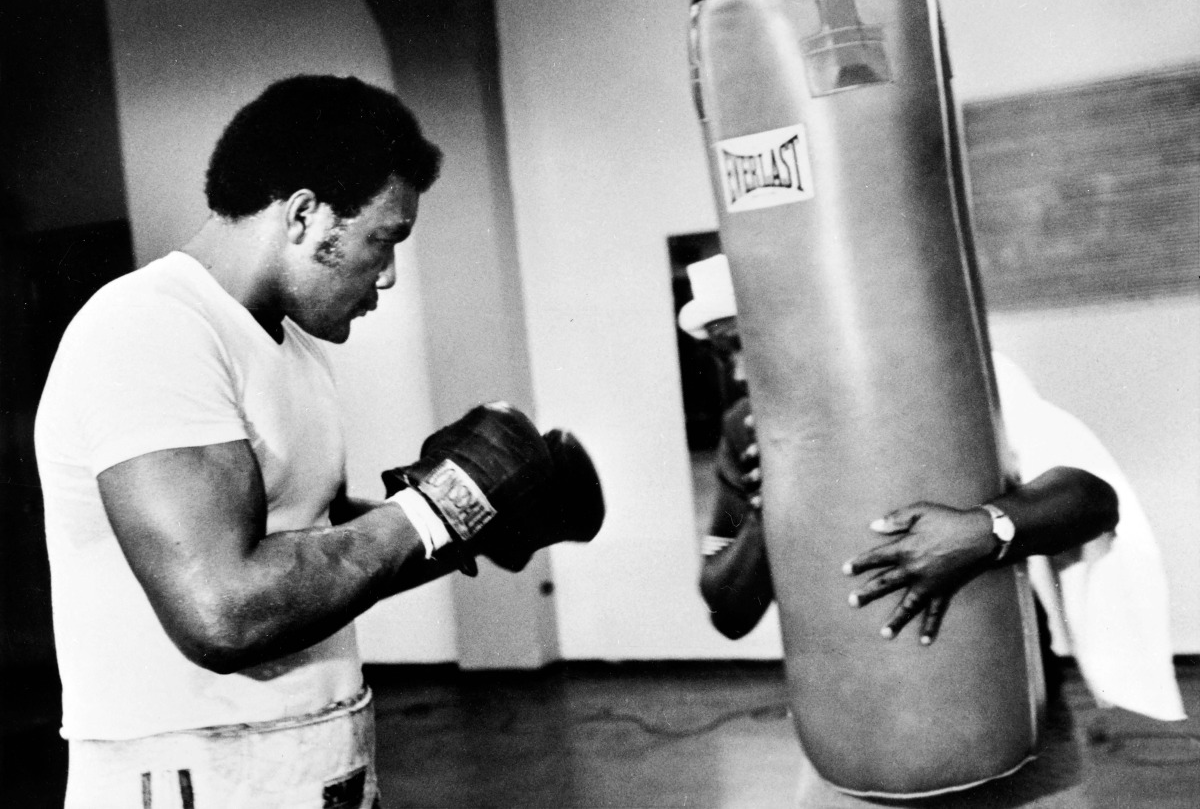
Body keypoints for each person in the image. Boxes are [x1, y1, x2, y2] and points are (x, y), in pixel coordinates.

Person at [34, 74, 603, 809]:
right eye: (383, 240)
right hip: (189, 779)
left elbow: (320, 545)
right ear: (305, 214)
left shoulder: (295, 354)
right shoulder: (148, 329)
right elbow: (224, 610)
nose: (390, 275)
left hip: (314, 764)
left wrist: (478, 522)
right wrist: (442, 507)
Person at [677, 253, 1185, 807]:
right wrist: (764, 508)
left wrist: (982, 530)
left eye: (746, 343)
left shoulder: (951, 378)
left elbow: (1091, 498)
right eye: (722, 351)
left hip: (1001, 711)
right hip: (853, 731)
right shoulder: (744, 429)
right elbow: (728, 609)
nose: (738, 372)